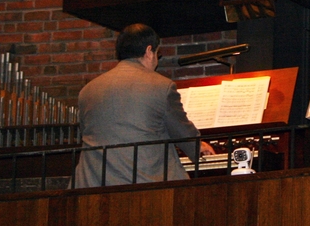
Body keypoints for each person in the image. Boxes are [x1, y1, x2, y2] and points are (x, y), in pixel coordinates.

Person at [73, 23, 215, 187]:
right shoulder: (161, 86)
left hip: (93, 184)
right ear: (149, 51)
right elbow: (182, 131)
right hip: (144, 184)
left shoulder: (87, 90)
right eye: (157, 53)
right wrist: (197, 147)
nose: (156, 61)